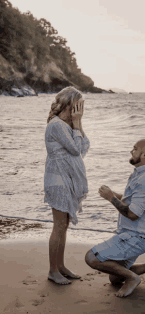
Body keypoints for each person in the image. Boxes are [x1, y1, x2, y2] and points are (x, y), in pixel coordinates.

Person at [85, 139, 145, 297]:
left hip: (136, 236)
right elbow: (133, 200)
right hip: (136, 234)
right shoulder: (142, 173)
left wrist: (111, 198)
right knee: (115, 278)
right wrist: (114, 195)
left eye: (135, 149)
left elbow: (133, 214)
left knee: (92, 257)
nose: (131, 151)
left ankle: (133, 278)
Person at [44, 86, 90, 285]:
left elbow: (85, 146)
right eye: (78, 105)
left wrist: (77, 123)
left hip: (67, 179)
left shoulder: (68, 125)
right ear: (70, 104)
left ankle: (61, 267)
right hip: (57, 180)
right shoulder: (56, 125)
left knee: (65, 225)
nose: (81, 109)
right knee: (59, 225)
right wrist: (77, 122)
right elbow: (74, 149)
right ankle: (53, 271)